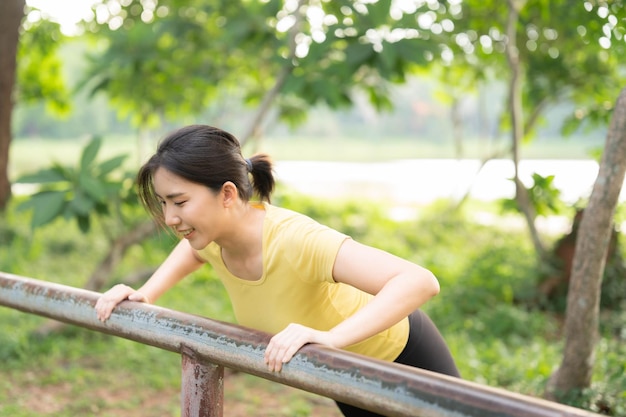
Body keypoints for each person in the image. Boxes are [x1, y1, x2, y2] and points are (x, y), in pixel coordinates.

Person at [95, 124, 460, 416]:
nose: (171, 218)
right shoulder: (210, 240)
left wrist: (331, 338)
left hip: (403, 357)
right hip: (344, 375)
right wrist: (146, 294)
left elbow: (418, 281)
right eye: (163, 203)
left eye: (180, 201)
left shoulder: (294, 240)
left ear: (226, 194)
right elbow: (190, 252)